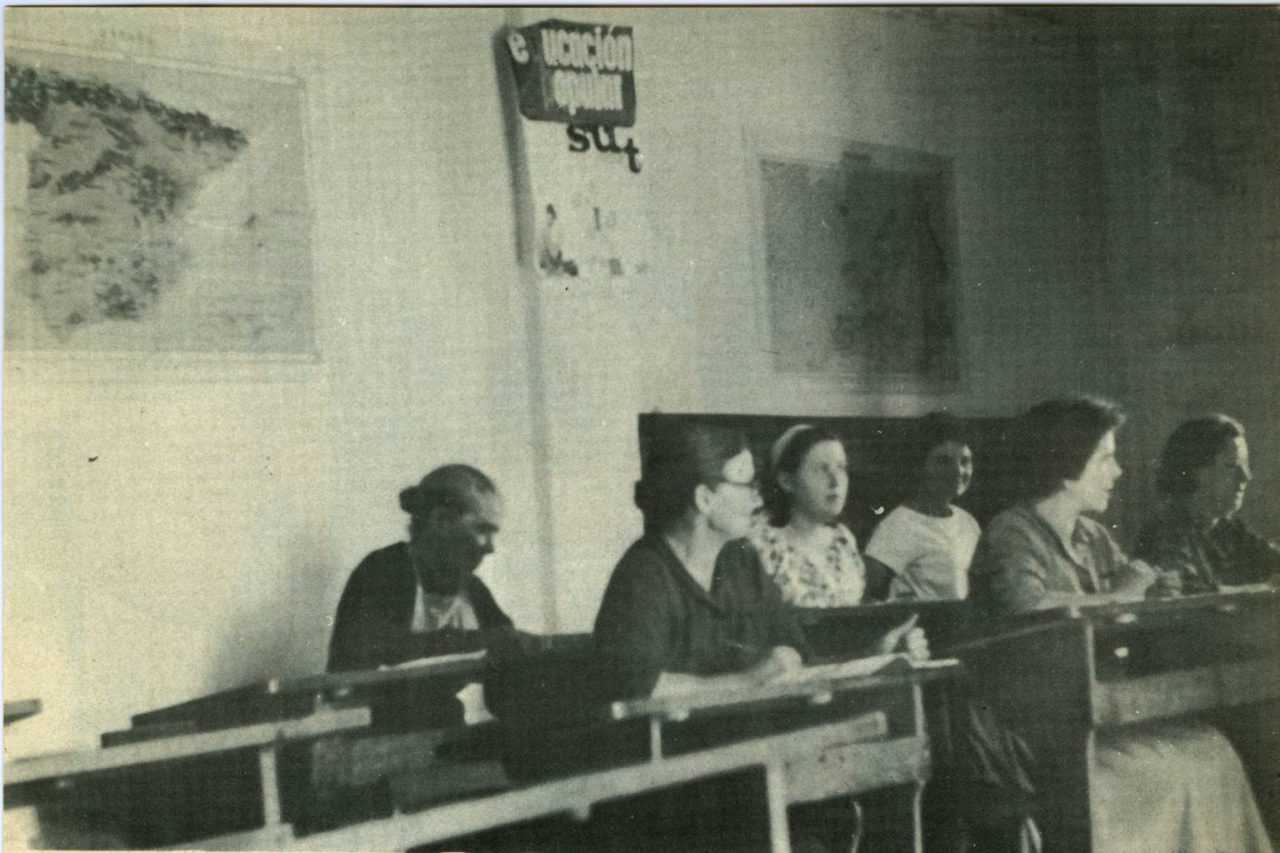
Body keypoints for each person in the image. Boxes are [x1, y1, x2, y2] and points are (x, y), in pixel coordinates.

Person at [971, 398, 1273, 853]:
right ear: (1068, 465)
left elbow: (1133, 599)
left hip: (1094, 714)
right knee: (1165, 773)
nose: (1117, 471)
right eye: (1105, 458)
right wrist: (1120, 596)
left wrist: (1156, 594)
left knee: (1215, 752)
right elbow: (1029, 611)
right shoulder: (1011, 535)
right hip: (1033, 734)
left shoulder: (1092, 537)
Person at [328, 464, 543, 672]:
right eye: (482, 529)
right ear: (441, 520)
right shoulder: (383, 569)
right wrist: (487, 640)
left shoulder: (473, 589)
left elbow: (509, 651)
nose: (490, 547)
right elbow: (379, 651)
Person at [1136, 414, 1280, 591]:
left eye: (1246, 466)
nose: (1246, 476)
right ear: (1198, 471)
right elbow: (1193, 596)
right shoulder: (1165, 533)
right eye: (1232, 466)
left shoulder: (1228, 529)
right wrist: (1267, 587)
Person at [865, 412, 982, 600]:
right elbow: (870, 595)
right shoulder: (899, 525)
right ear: (919, 467)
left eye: (965, 461)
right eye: (943, 461)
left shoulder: (968, 523)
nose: (957, 471)